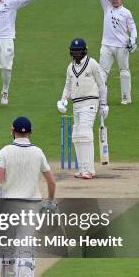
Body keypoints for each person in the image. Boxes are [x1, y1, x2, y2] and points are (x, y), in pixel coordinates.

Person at [0, 116, 56, 277]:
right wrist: (50, 202)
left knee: (7, 248)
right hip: (30, 207)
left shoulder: (5, 151)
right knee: (25, 250)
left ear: (12, 130)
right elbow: (51, 181)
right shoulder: (38, 152)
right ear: (30, 132)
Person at [56, 38, 108, 179]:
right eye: (74, 51)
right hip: (76, 104)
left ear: (84, 50)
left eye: (79, 50)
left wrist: (104, 104)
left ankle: (89, 170)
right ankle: (81, 168)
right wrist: (63, 100)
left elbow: (102, 85)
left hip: (90, 102)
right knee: (77, 136)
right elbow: (68, 86)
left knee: (85, 134)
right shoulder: (70, 67)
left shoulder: (92, 64)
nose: (77, 53)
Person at [94, 0, 138, 105]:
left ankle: (126, 98)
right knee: (102, 73)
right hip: (106, 45)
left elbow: (133, 28)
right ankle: (101, 99)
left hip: (121, 47)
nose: (114, 1)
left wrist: (133, 41)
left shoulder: (126, 12)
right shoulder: (107, 7)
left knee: (124, 72)